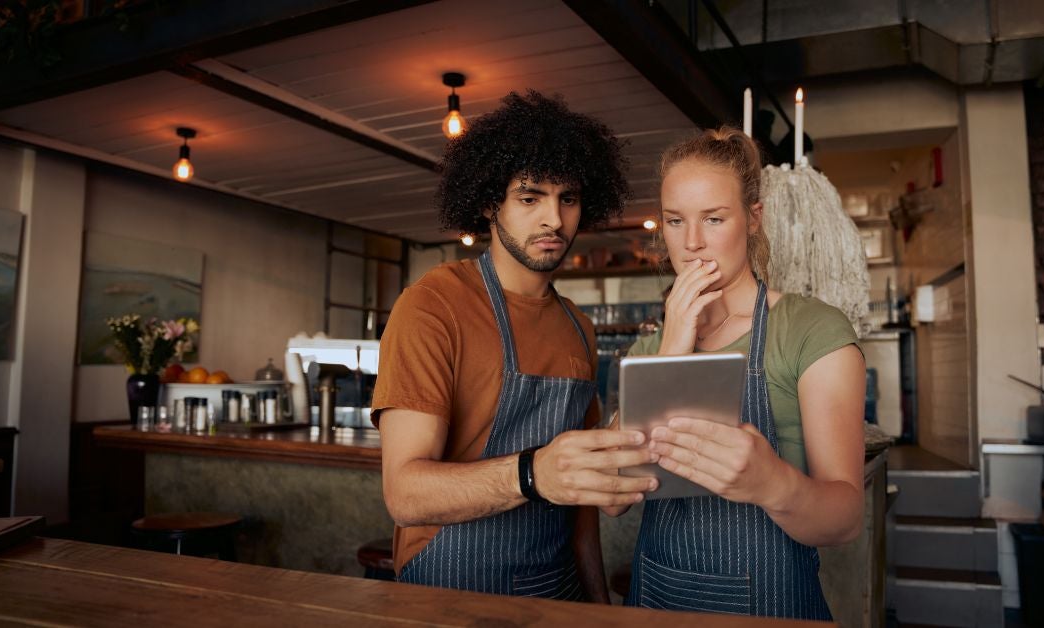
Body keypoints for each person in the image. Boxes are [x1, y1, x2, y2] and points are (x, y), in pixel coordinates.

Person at [371, 91, 658, 602]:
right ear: (489, 202)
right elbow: (405, 493)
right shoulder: (432, 306)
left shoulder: (578, 327)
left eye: (567, 198)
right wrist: (532, 473)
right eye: (530, 198)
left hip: (559, 588)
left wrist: (597, 603)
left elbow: (581, 501)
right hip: (453, 588)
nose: (553, 219)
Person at [611, 127, 866, 619]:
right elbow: (613, 501)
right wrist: (672, 350)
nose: (692, 244)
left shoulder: (810, 331)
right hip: (655, 604)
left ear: (752, 219)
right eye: (675, 221)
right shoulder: (650, 348)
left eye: (714, 218)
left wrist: (773, 484)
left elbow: (846, 519)